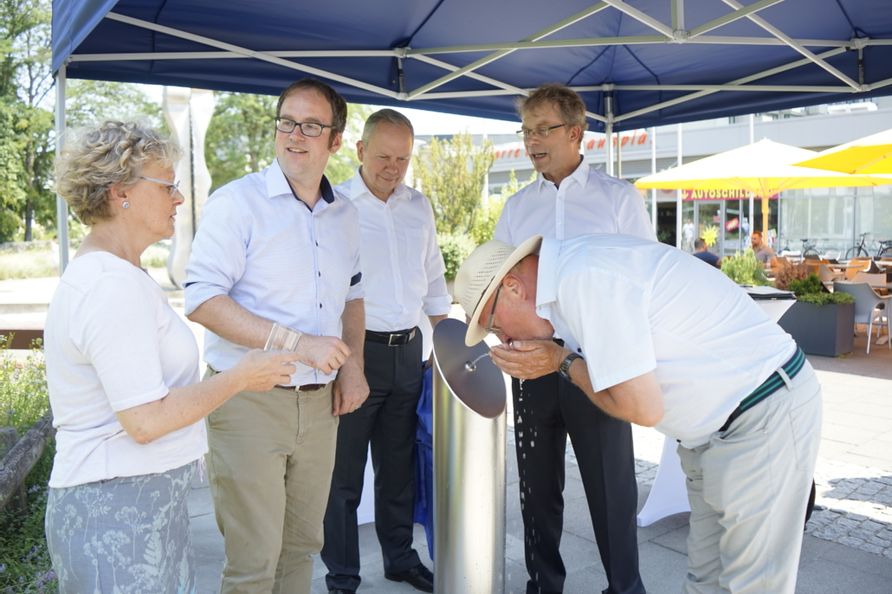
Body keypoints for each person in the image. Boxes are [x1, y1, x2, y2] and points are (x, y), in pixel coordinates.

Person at [455, 233, 822, 594]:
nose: (503, 340)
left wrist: (558, 361)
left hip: (760, 413)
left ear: (514, 287)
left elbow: (640, 408)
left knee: (750, 586)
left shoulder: (586, 281)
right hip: (715, 430)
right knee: (706, 581)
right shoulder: (572, 272)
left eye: (496, 326)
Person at [43, 121, 300, 593]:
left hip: (138, 506)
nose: (179, 198)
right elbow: (144, 421)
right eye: (167, 186)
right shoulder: (109, 286)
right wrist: (240, 376)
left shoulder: (119, 275)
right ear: (121, 193)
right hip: (115, 515)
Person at [184, 78, 368, 594]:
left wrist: (353, 367)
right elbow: (201, 299)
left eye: (311, 125)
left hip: (320, 406)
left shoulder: (346, 214)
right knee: (253, 563)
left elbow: (352, 297)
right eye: (286, 122)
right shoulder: (237, 203)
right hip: (249, 403)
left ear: (335, 141)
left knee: (301, 548)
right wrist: (296, 342)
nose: (294, 135)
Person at [494, 83, 651, 594]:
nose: (533, 141)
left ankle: (624, 587)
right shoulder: (517, 207)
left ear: (576, 132)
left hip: (597, 363)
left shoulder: (618, 199)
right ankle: (543, 586)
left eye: (544, 129)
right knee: (536, 491)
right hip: (530, 365)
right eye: (527, 130)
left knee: (612, 490)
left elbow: (643, 281)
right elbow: (496, 282)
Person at [321, 109, 449, 594]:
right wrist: (340, 363)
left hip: (409, 353)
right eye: (383, 157)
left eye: (403, 158)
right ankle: (343, 574)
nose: (393, 168)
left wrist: (451, 343)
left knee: (399, 469)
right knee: (344, 477)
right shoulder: (334, 206)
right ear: (359, 151)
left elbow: (434, 280)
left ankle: (399, 559)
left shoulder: (419, 206)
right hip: (356, 354)